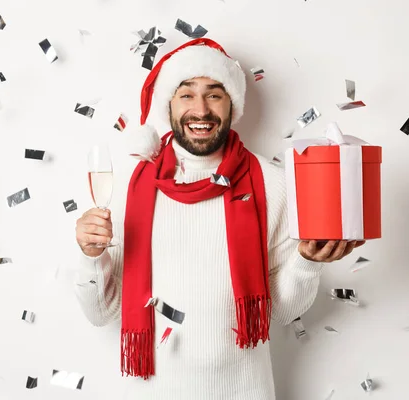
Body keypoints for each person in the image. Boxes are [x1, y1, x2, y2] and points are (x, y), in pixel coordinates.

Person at [74, 38, 364, 400]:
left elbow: (282, 311)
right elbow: (101, 313)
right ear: (169, 105)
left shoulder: (273, 185)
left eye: (214, 94)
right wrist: (90, 255)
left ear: (232, 105)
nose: (201, 109)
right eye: (186, 95)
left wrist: (307, 263)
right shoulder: (127, 190)